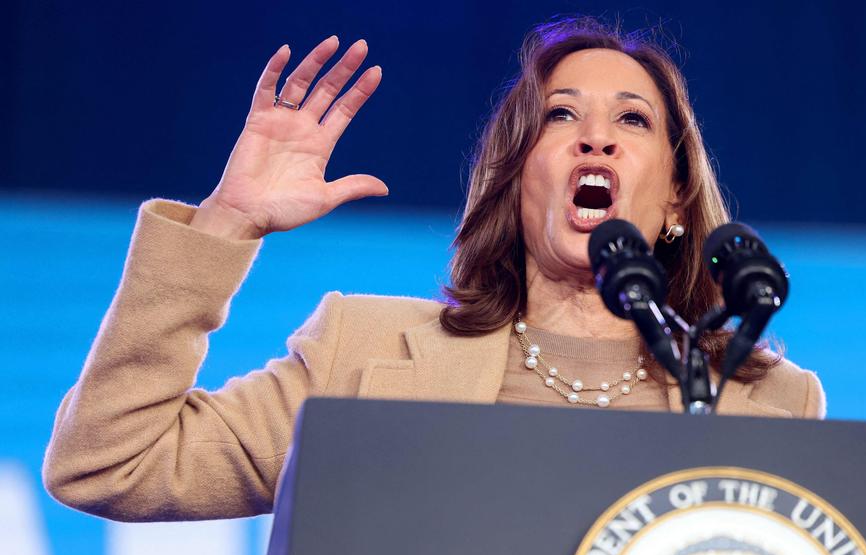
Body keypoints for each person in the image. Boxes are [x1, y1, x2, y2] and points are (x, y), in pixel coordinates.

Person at [43, 17, 825, 523]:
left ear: (677, 198)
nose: (596, 139)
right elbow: (110, 461)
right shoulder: (362, 355)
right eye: (560, 116)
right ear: (517, 179)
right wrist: (227, 222)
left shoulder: (769, 405)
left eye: (632, 119)